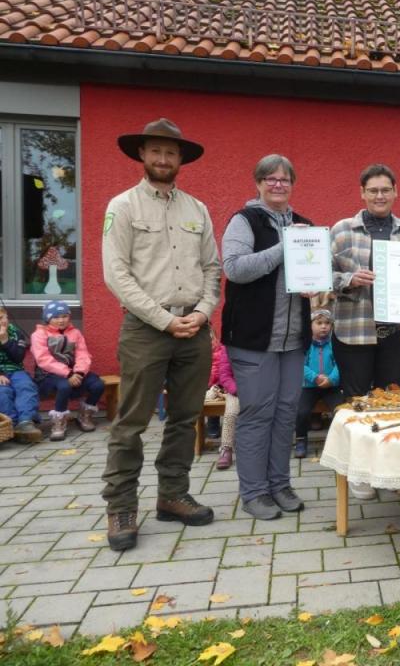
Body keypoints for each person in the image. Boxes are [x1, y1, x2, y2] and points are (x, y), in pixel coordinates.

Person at [101, 117, 220, 551]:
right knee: (131, 422)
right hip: (146, 329)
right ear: (142, 155)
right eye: (156, 151)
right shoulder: (123, 206)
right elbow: (117, 274)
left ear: (181, 159)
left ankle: (172, 495)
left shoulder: (197, 209)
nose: (164, 159)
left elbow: (212, 268)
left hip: (194, 326)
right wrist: (163, 319)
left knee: (185, 418)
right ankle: (120, 507)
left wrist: (203, 312)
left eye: (171, 153)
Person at [331, 163, 400, 499]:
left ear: (395, 192)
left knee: (391, 400)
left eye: (385, 189)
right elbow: (322, 280)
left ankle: (389, 469)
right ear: (362, 193)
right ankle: (358, 472)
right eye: (373, 190)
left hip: (395, 333)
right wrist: (349, 280)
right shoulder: (342, 230)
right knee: (357, 402)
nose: (379, 195)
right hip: (354, 330)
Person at [221, 154, 314, 520]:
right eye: (271, 179)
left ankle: (280, 484)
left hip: (292, 340)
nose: (278, 184)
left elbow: (314, 273)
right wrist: (285, 248)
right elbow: (236, 269)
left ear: (293, 184)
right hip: (253, 338)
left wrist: (321, 283)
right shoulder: (244, 220)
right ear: (258, 183)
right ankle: (254, 492)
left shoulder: (305, 225)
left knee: (286, 413)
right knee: (258, 413)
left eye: (285, 179)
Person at [31, 300, 105, 441]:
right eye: (56, 317)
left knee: (98, 384)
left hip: (74, 372)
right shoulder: (39, 335)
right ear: (48, 318)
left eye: (65, 316)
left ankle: (84, 415)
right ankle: (59, 422)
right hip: (48, 375)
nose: (61, 320)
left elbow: (83, 354)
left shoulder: (75, 333)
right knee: (64, 386)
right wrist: (68, 373)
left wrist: (79, 372)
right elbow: (43, 359)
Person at [295, 309, 342, 459]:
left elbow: (340, 363)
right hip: (309, 387)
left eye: (327, 323)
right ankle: (301, 440)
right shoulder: (306, 345)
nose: (324, 326)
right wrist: (315, 378)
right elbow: (300, 365)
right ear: (310, 326)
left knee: (340, 411)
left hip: (331, 386)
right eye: (319, 323)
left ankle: (338, 443)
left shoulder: (334, 344)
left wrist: (331, 379)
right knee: (301, 412)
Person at [0, 306, 40, 442]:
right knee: (3, 392)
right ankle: (12, 424)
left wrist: (5, 340)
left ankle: (26, 422)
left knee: (26, 386)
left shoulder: (16, 333)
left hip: (16, 369)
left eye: (1, 318)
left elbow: (18, 357)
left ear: (7, 317)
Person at [206, 329, 238, 470]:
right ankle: (226, 449)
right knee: (230, 413)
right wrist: (236, 390)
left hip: (257, 388)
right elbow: (224, 374)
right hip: (235, 390)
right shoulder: (228, 348)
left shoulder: (258, 346)